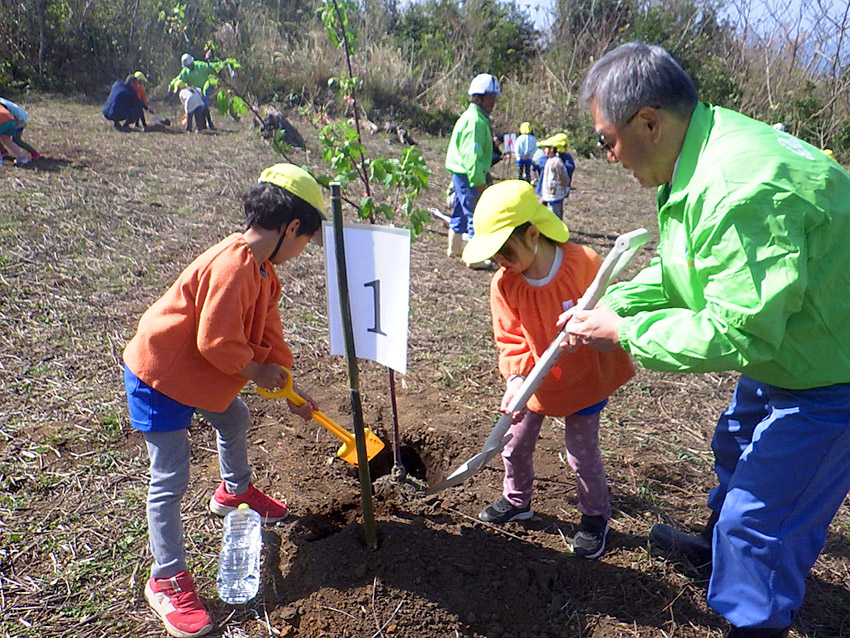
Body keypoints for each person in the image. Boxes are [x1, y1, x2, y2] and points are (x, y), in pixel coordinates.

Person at [564, 41, 850, 638]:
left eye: (606, 140)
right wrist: (616, 302)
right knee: (735, 444)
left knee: (759, 524)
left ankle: (752, 615)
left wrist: (625, 331)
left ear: (648, 122)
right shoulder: (699, 156)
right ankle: (717, 551)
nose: (608, 156)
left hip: (831, 373)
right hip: (794, 344)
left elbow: (738, 328)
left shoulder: (738, 186)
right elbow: (688, 272)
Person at [122, 163, 325, 638]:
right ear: (292, 227)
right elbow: (215, 343)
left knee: (233, 417)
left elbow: (269, 335)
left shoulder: (264, 271)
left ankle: (234, 493)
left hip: (197, 373)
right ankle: (166, 578)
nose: (301, 251)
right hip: (160, 375)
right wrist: (256, 372)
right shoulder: (232, 266)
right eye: (305, 241)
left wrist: (286, 384)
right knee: (170, 478)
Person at [462, 180, 634, 558]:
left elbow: (611, 308)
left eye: (505, 251)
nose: (499, 262)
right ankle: (517, 499)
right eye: (493, 255)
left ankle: (595, 516)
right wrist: (516, 379)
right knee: (514, 444)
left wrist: (590, 329)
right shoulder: (505, 285)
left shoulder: (582, 262)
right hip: (536, 381)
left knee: (581, 455)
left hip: (584, 378)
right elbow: (510, 338)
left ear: (533, 234)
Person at [444, 73, 500, 262]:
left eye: (494, 97)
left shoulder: (474, 118)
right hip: (469, 176)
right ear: (478, 98)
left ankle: (454, 248)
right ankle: (475, 258)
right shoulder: (475, 121)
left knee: (460, 212)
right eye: (490, 98)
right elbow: (471, 156)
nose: (493, 102)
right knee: (476, 216)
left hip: (462, 174)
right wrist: (479, 181)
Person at [172, 54, 215, 130]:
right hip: (195, 90)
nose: (189, 67)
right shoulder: (185, 72)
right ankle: (203, 125)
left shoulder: (201, 66)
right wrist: (171, 85)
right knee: (199, 106)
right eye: (187, 66)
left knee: (203, 104)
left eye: (190, 65)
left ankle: (209, 122)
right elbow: (178, 79)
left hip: (205, 87)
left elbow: (211, 68)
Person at [537, 133, 575, 219]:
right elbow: (541, 164)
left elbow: (568, 170)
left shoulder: (563, 159)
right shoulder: (547, 158)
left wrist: (559, 165)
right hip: (545, 188)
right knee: (542, 207)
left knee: (555, 212)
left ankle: (556, 224)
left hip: (556, 191)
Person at [0, 97, 40, 161]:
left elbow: (6, 114)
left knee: (17, 140)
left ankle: (34, 154)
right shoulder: (2, 101)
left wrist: (18, 123)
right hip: (14, 119)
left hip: (18, 120)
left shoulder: (2, 103)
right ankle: (3, 151)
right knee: (5, 137)